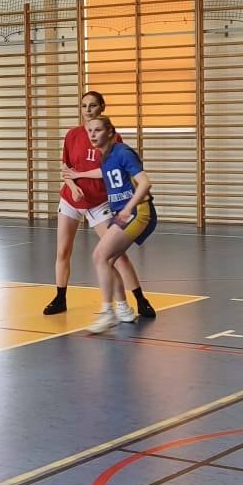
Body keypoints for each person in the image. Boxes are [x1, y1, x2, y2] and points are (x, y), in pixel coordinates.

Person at [46, 90, 151, 320]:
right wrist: (72, 186)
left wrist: (81, 176)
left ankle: (139, 299)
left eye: (92, 105)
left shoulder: (112, 139)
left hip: (99, 202)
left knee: (115, 255)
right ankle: (60, 297)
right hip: (71, 199)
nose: (88, 110)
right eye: (84, 105)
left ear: (102, 108)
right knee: (63, 250)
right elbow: (66, 169)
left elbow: (111, 170)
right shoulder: (72, 135)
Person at [84, 114, 156, 337]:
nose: (92, 134)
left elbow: (145, 183)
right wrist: (78, 174)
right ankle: (123, 308)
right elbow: (106, 174)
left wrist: (128, 208)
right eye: (89, 131)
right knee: (108, 260)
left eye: (97, 130)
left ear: (109, 131)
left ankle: (108, 312)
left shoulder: (123, 152)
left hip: (137, 212)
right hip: (123, 213)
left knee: (99, 256)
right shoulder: (104, 157)